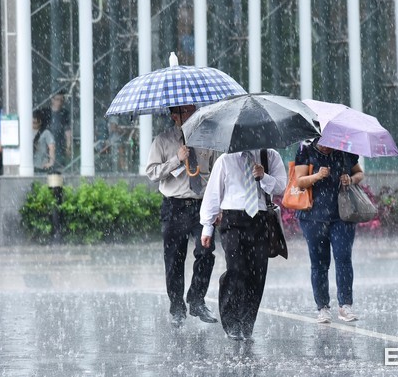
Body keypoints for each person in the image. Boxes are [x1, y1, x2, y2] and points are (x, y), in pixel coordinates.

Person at [200, 149, 286, 341]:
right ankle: (231, 322)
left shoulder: (270, 156)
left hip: (260, 219)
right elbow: (213, 193)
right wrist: (207, 227)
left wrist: (264, 177)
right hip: (233, 220)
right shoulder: (225, 160)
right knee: (236, 270)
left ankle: (247, 324)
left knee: (257, 275)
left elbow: (281, 186)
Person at [146, 105, 219, 327]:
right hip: (174, 206)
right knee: (174, 259)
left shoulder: (208, 138)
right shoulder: (162, 140)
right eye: (183, 112)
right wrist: (177, 159)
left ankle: (197, 300)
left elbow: (217, 172)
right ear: (173, 115)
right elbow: (152, 173)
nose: (188, 115)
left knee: (206, 252)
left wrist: (219, 205)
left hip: (201, 206)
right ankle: (177, 307)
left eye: (191, 110)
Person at [293, 138, 365, 324]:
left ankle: (345, 306)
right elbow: (299, 182)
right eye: (323, 142)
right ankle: (323, 307)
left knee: (343, 258)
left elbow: (359, 173)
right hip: (312, 217)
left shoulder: (345, 149)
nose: (326, 146)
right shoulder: (305, 149)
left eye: (330, 142)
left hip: (342, 215)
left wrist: (350, 179)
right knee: (319, 263)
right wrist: (316, 176)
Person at [48, 91, 72, 170]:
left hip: (59, 144)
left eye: (62, 100)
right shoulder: (46, 112)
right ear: (52, 100)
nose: (59, 102)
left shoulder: (64, 113)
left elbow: (68, 131)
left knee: (59, 165)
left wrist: (68, 146)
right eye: (57, 99)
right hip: (47, 144)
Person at [32, 109, 56, 174]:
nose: (33, 125)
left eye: (35, 123)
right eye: (32, 122)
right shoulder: (27, 132)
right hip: (30, 165)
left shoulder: (46, 133)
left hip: (41, 165)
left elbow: (52, 147)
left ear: (41, 122)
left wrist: (51, 162)